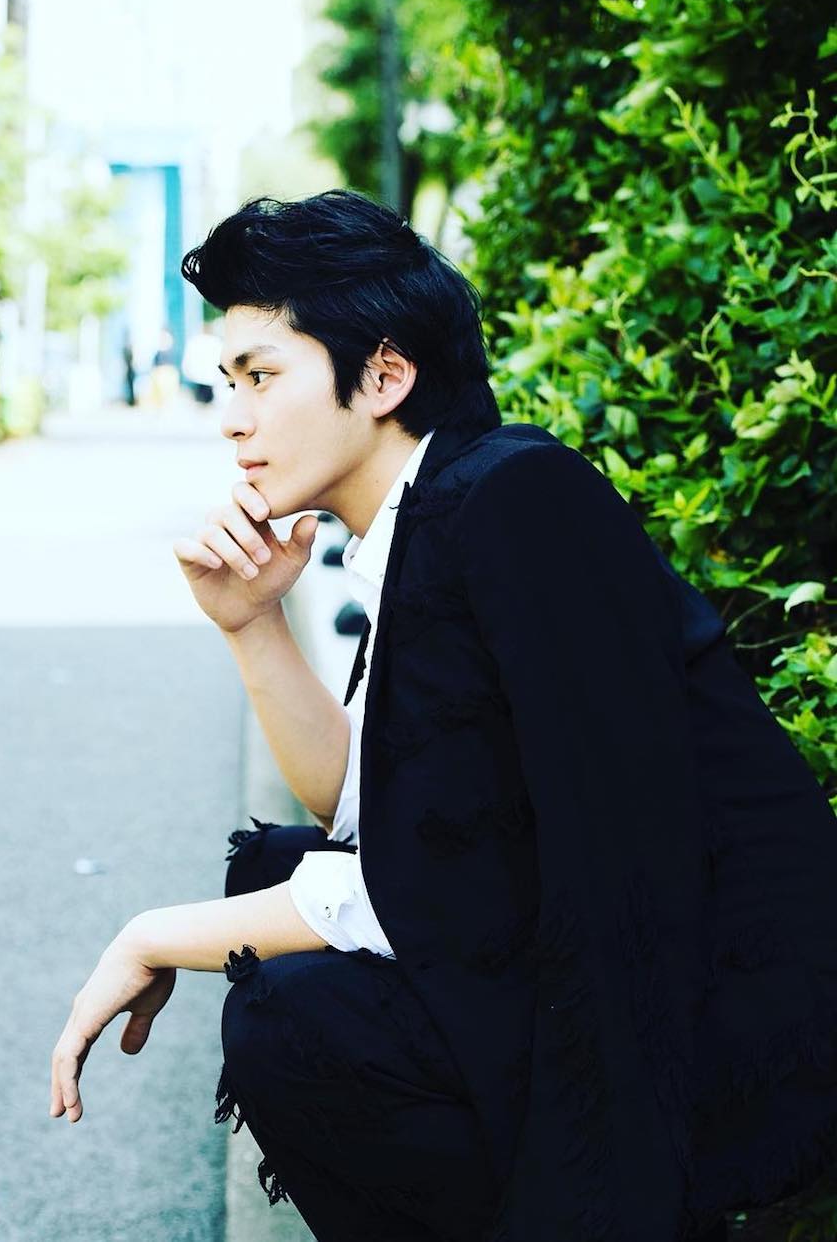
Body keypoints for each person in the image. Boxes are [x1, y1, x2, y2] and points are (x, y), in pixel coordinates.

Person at [50, 190, 837, 1242]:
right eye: (226, 384)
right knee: (273, 883)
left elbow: (450, 883)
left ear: (384, 376)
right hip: (607, 977)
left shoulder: (512, 501)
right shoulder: (431, 517)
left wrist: (154, 934)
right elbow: (370, 814)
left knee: (295, 1020)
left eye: (259, 377)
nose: (231, 418)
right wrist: (252, 624)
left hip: (713, 1028)